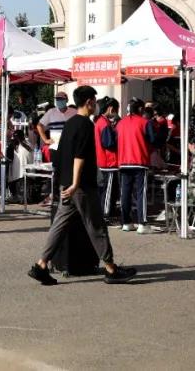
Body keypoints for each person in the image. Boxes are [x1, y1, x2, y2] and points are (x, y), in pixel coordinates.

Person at [27, 85, 137, 285]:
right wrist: (76, 183)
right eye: (94, 101)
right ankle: (111, 269)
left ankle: (41, 265)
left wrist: (65, 182)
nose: (96, 105)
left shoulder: (69, 124)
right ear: (89, 102)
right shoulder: (86, 125)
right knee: (96, 225)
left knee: (59, 225)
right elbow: (79, 156)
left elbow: (61, 154)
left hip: (67, 184)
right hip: (81, 186)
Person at [116, 99, 154, 234]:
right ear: (140, 109)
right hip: (140, 161)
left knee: (125, 193)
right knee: (140, 192)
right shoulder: (145, 123)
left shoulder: (120, 123)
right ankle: (142, 223)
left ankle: (126, 222)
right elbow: (152, 140)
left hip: (123, 161)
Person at [94, 97, 120, 220]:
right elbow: (108, 143)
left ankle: (105, 211)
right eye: (115, 110)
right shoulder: (104, 123)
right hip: (108, 162)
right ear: (110, 109)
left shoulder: (100, 121)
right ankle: (105, 214)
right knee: (107, 190)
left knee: (104, 189)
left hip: (102, 161)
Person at [37, 91, 76, 161]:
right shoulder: (51, 112)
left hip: (70, 147)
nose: (59, 101)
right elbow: (39, 125)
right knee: (56, 169)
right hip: (55, 147)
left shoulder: (74, 112)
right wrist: (46, 140)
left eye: (61, 99)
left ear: (66, 100)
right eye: (57, 99)